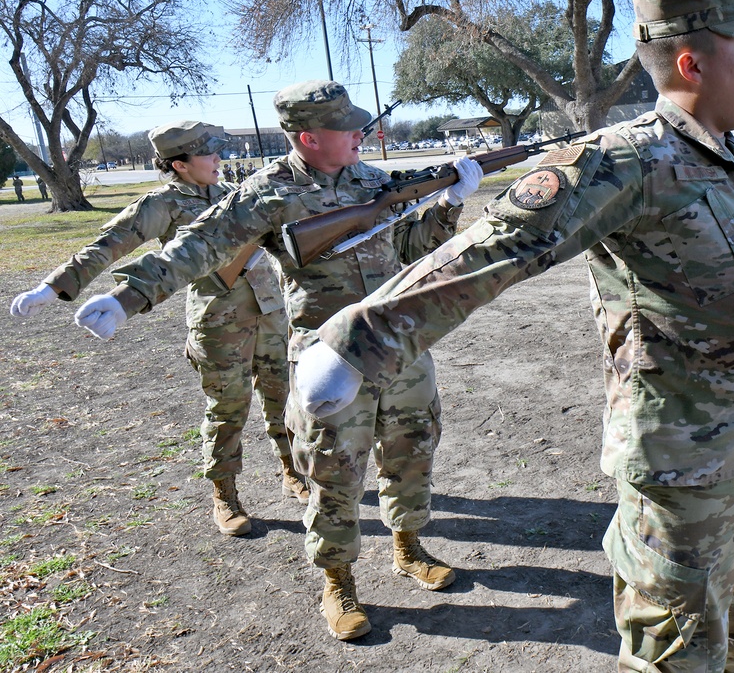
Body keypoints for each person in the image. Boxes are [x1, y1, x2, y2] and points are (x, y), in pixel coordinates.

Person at [290, 0, 734, 671]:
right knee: (671, 657)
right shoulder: (628, 160)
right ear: (693, 62)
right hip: (678, 478)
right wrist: (358, 341)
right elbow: (499, 245)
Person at [71, 81, 484, 641]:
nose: (361, 133)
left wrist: (450, 203)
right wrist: (128, 296)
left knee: (412, 445)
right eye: (349, 127)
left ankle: (408, 546)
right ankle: (337, 581)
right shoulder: (266, 193)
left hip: (400, 339)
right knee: (334, 466)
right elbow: (199, 245)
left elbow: (411, 248)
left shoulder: (377, 181)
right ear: (310, 137)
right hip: (328, 351)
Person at [10, 120, 306, 538]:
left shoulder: (231, 196)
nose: (219, 158)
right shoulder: (160, 205)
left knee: (284, 398)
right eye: (209, 153)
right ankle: (225, 495)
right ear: (179, 164)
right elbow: (110, 243)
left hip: (272, 314)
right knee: (228, 411)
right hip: (220, 324)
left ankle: (292, 471)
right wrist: (55, 285)